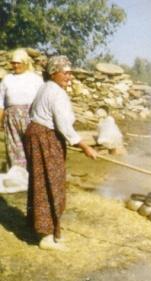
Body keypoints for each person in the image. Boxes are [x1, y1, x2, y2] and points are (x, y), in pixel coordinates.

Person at [24, 55, 97, 251]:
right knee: (50, 183)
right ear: (53, 73)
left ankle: (48, 231)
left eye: (70, 73)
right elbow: (64, 126)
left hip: (37, 135)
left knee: (43, 181)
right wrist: (85, 147)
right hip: (45, 139)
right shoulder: (56, 93)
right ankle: (47, 237)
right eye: (66, 73)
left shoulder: (45, 88)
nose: (69, 77)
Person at [0, 48, 44, 190]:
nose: (16, 66)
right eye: (13, 63)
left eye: (18, 63)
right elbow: (0, 102)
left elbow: (43, 99)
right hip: (11, 118)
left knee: (31, 146)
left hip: (30, 116)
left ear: (25, 63)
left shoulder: (35, 79)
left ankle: (34, 177)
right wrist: (1, 120)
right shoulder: (7, 79)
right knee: (14, 147)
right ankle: (18, 178)